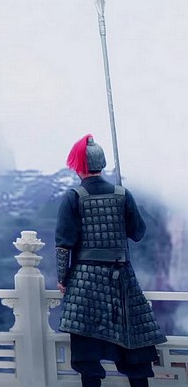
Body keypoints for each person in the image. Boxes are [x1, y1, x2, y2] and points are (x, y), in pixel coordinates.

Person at [55, 134, 166, 387]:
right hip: (121, 279)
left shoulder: (73, 197)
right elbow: (137, 232)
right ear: (101, 164)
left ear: (78, 166)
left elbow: (63, 244)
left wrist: (62, 278)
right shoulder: (122, 194)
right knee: (134, 345)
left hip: (85, 282)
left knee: (87, 352)